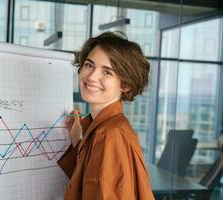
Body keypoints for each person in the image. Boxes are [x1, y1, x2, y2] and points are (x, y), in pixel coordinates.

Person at [57, 31, 154, 200]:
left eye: (107, 72)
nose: (92, 77)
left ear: (125, 85)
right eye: (89, 65)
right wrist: (77, 141)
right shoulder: (104, 127)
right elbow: (89, 184)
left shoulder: (110, 134)